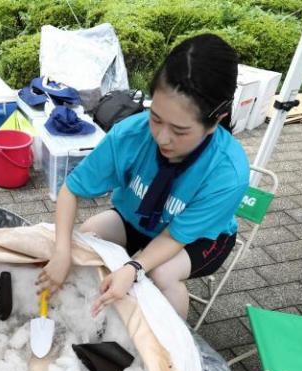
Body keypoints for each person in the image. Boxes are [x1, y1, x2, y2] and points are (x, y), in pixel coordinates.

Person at [36, 34, 250, 319]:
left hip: (199, 238)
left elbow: (174, 237)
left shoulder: (228, 172)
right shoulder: (130, 134)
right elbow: (71, 190)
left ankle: (170, 354)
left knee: (161, 274)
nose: (162, 138)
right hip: (139, 220)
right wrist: (61, 251)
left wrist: (134, 267)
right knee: (87, 235)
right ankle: (100, 315)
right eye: (156, 118)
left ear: (216, 121)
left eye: (180, 130)